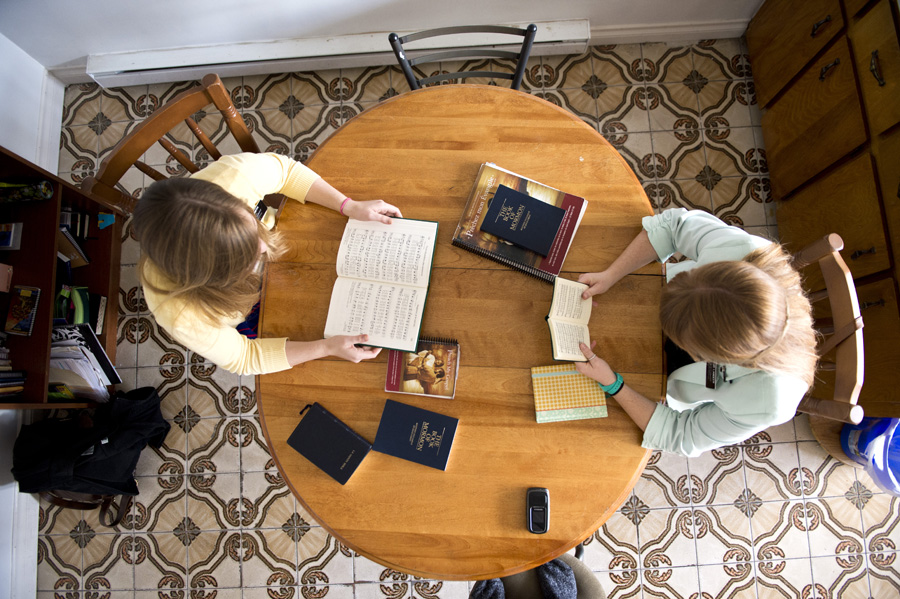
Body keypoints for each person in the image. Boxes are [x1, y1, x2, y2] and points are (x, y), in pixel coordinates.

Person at [131, 152, 403, 375]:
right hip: (245, 308)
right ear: (214, 277)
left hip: (297, 239)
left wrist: (348, 205)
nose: (263, 247)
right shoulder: (179, 314)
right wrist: (326, 348)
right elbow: (244, 358)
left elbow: (288, 172)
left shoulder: (232, 177)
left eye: (250, 220)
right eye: (247, 255)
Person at [574, 208, 817, 457]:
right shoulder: (743, 249)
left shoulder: (768, 402)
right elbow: (671, 227)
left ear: (711, 356)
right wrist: (611, 274)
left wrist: (613, 384)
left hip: (669, 381)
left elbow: (681, 434)